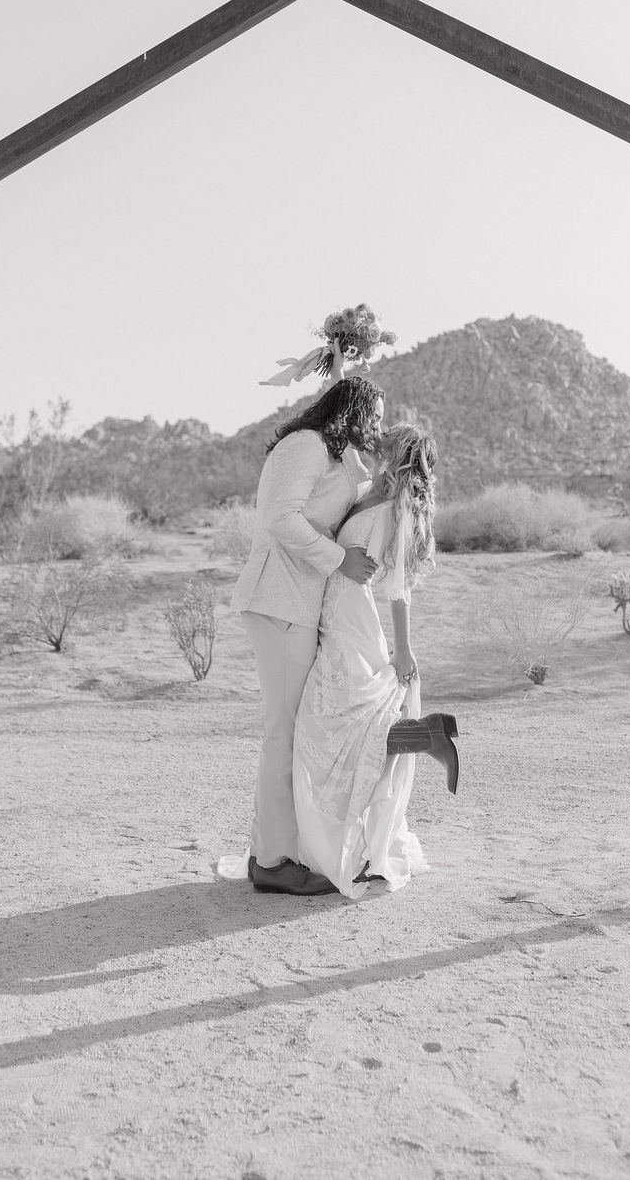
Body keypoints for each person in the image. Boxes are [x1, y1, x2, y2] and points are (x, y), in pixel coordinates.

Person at [229, 376, 386, 895]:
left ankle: (267, 851)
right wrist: (342, 560)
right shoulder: (306, 446)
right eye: (375, 414)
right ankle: (273, 862)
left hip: (297, 606)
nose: (379, 426)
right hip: (278, 603)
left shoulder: (332, 455)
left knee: (290, 732)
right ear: (354, 411)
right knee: (284, 733)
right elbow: (282, 519)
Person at [292, 423, 458, 901]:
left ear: (401, 454)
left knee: (330, 725)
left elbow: (397, 585)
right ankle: (426, 736)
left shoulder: (392, 510)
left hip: (352, 620)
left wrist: (403, 648)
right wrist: (340, 356)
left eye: (390, 439)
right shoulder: (370, 489)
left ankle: (424, 740)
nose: (379, 438)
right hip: (337, 613)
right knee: (344, 724)